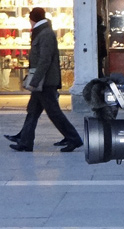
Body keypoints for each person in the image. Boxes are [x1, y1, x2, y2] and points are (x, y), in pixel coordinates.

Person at [5, 8, 83, 152]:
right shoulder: (42, 32)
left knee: (54, 112)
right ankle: (25, 142)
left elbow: (45, 60)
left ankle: (74, 139)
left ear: (32, 19)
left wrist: (35, 80)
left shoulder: (45, 34)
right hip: (42, 82)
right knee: (32, 111)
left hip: (45, 82)